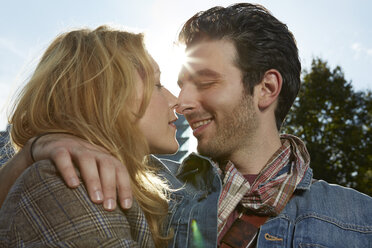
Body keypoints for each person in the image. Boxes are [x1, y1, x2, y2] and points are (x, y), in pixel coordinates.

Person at [2, 3, 372, 247]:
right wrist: (38, 148)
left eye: (206, 82)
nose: (182, 101)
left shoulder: (359, 221)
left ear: (266, 89)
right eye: (177, 83)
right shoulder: (147, 185)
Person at [0, 26, 182, 247]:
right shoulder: (68, 182)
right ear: (105, 98)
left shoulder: (137, 180)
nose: (176, 101)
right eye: (157, 85)